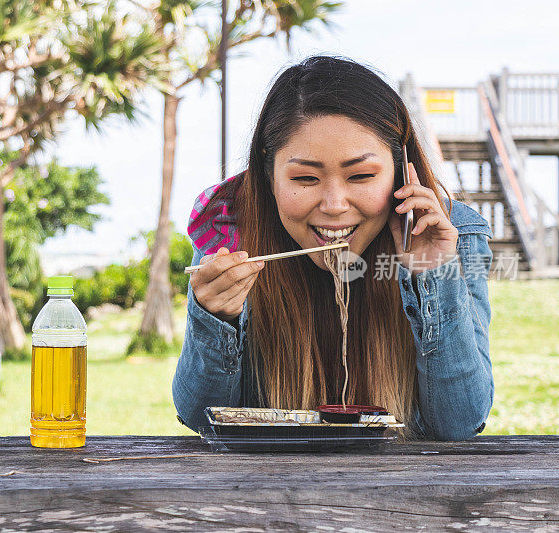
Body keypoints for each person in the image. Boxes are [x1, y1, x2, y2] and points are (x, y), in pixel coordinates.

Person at [173, 56, 494, 441]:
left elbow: (460, 421)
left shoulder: (450, 233)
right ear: (267, 172)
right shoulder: (229, 233)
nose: (334, 205)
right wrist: (215, 318)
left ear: (401, 168)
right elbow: (199, 418)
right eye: (305, 178)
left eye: (360, 176)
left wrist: (432, 273)